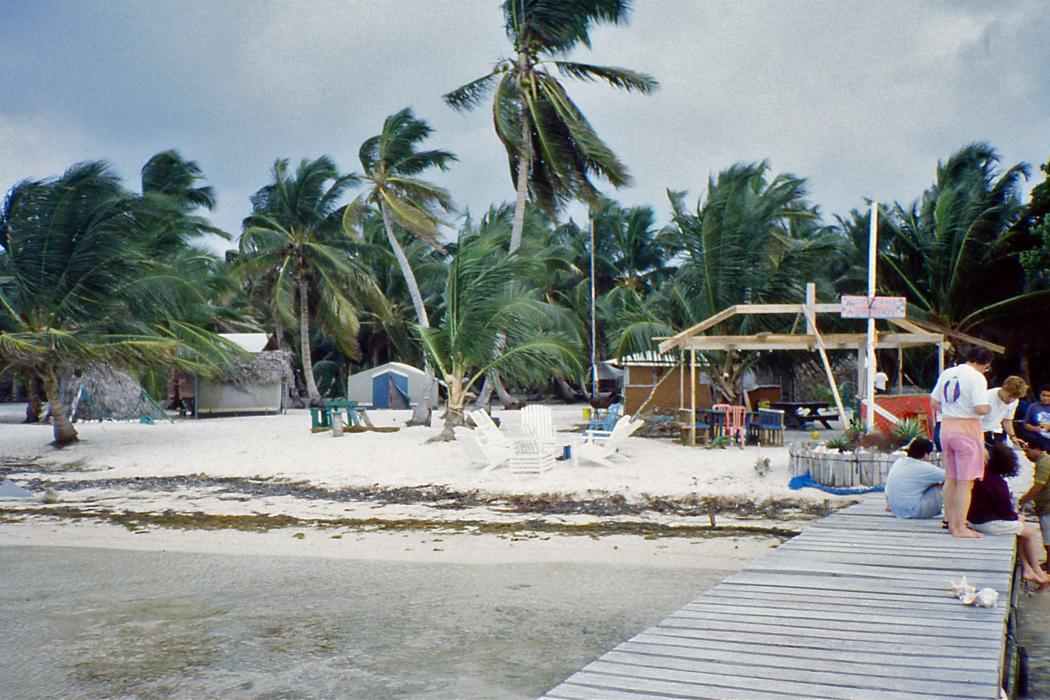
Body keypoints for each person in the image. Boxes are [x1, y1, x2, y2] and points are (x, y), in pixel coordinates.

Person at [929, 347, 993, 538]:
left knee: (951, 477)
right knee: (966, 481)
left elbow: (934, 402)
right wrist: (989, 408)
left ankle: (949, 520)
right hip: (967, 429)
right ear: (984, 364)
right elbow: (980, 408)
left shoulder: (948, 372)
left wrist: (953, 408)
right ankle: (959, 526)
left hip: (946, 426)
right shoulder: (976, 378)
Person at [969, 443, 1050, 584]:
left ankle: (1026, 568)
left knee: (1021, 528)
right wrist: (1018, 517)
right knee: (1030, 532)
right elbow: (1006, 514)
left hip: (975, 520)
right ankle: (1036, 569)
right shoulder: (998, 483)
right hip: (987, 523)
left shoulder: (981, 475)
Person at [885, 438, 944, 519]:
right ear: (926, 455)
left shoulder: (898, 462)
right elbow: (951, 477)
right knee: (946, 485)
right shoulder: (924, 467)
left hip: (896, 511)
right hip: (914, 511)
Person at [1019, 443, 1050, 569]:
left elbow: (1038, 486)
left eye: (1028, 452)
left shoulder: (1044, 462)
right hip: (1044, 504)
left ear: (1037, 449)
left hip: (1047, 505)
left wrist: (1023, 500)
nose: (1027, 456)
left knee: (1048, 538)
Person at [981, 376, 1028, 447]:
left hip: (997, 432)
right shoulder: (986, 397)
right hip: (981, 432)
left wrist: (1013, 437)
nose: (1011, 400)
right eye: (1010, 396)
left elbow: (1007, 420)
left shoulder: (1015, 402)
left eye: (1015, 398)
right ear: (1003, 388)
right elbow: (974, 422)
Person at [1022, 385, 1050, 450]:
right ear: (1040, 395)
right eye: (1043, 395)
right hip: (1038, 442)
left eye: (1048, 396)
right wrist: (1034, 428)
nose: (1046, 398)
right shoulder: (1033, 407)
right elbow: (1025, 424)